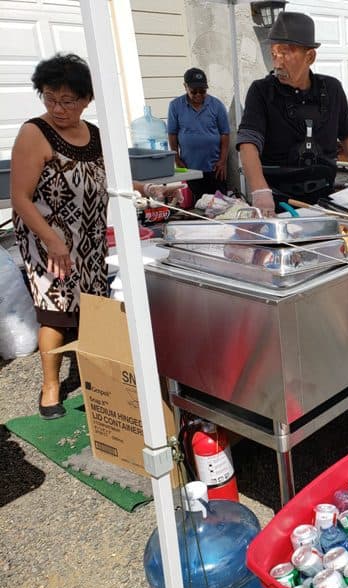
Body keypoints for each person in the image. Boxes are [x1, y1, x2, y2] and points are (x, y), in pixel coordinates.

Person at [10, 53, 180, 420]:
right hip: (46, 241)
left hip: (88, 239)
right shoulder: (33, 134)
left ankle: (96, 382)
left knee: (91, 307)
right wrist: (53, 241)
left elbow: (112, 179)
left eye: (67, 100)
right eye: (50, 97)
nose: (58, 108)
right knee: (55, 313)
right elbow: (20, 198)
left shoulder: (95, 135)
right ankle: (50, 385)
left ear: (86, 99)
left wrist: (147, 187)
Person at [236, 11, 348, 216]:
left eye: (285, 53)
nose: (278, 63)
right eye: (274, 53)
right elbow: (248, 143)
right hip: (278, 204)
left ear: (310, 56)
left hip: (324, 201)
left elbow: (347, 135)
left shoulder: (332, 89)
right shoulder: (261, 91)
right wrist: (259, 190)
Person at [168, 68, 230, 202]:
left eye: (202, 91)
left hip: (214, 167)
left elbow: (225, 134)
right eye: (193, 91)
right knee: (198, 204)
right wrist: (176, 158)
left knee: (221, 203)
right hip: (190, 168)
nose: (198, 95)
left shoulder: (217, 105)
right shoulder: (175, 106)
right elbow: (172, 134)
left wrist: (222, 161)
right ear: (185, 87)